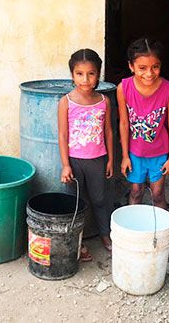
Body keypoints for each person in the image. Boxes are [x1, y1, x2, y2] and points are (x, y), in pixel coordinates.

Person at [58, 48, 114, 260]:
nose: (85, 79)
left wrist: (110, 159)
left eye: (91, 73)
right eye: (80, 74)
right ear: (72, 75)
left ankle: (105, 235)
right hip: (74, 161)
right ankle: (77, 242)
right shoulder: (66, 102)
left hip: (97, 159)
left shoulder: (103, 101)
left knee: (100, 199)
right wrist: (65, 164)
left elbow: (108, 131)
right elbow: (63, 135)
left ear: (98, 74)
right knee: (76, 203)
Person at [117, 38, 169, 208]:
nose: (149, 73)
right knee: (136, 192)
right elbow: (123, 123)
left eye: (155, 67)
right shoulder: (123, 88)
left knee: (157, 194)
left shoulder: (168, 89)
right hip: (134, 153)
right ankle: (133, 231)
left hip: (159, 153)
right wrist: (124, 156)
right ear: (131, 66)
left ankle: (162, 233)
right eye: (142, 68)